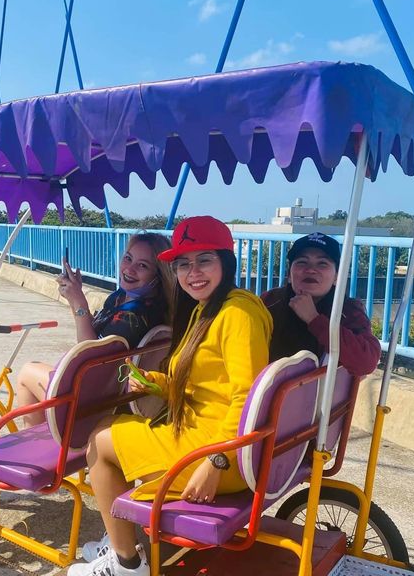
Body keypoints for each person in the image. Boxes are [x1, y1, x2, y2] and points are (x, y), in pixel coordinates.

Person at [68, 216, 272, 576]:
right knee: (109, 426)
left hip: (215, 454)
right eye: (183, 264)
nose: (193, 272)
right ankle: (121, 540)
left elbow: (247, 399)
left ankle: (127, 564)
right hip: (206, 438)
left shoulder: (237, 314)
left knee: (98, 445)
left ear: (226, 261)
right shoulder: (208, 308)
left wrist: (217, 463)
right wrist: (156, 382)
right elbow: (204, 382)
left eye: (204, 260)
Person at [15, 232, 174, 426]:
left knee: (26, 372)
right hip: (106, 391)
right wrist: (76, 299)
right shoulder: (123, 298)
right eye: (128, 258)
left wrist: (78, 302)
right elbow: (101, 337)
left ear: (158, 275)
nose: (129, 269)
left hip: (96, 401)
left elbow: (90, 355)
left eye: (142, 265)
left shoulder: (134, 318)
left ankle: (39, 449)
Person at [261, 232, 380, 376]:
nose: (310, 270)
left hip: (319, 396)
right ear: (289, 275)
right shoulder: (271, 301)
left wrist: (314, 319)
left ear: (336, 277)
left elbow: (366, 363)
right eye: (302, 262)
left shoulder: (348, 311)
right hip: (267, 390)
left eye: (322, 263)